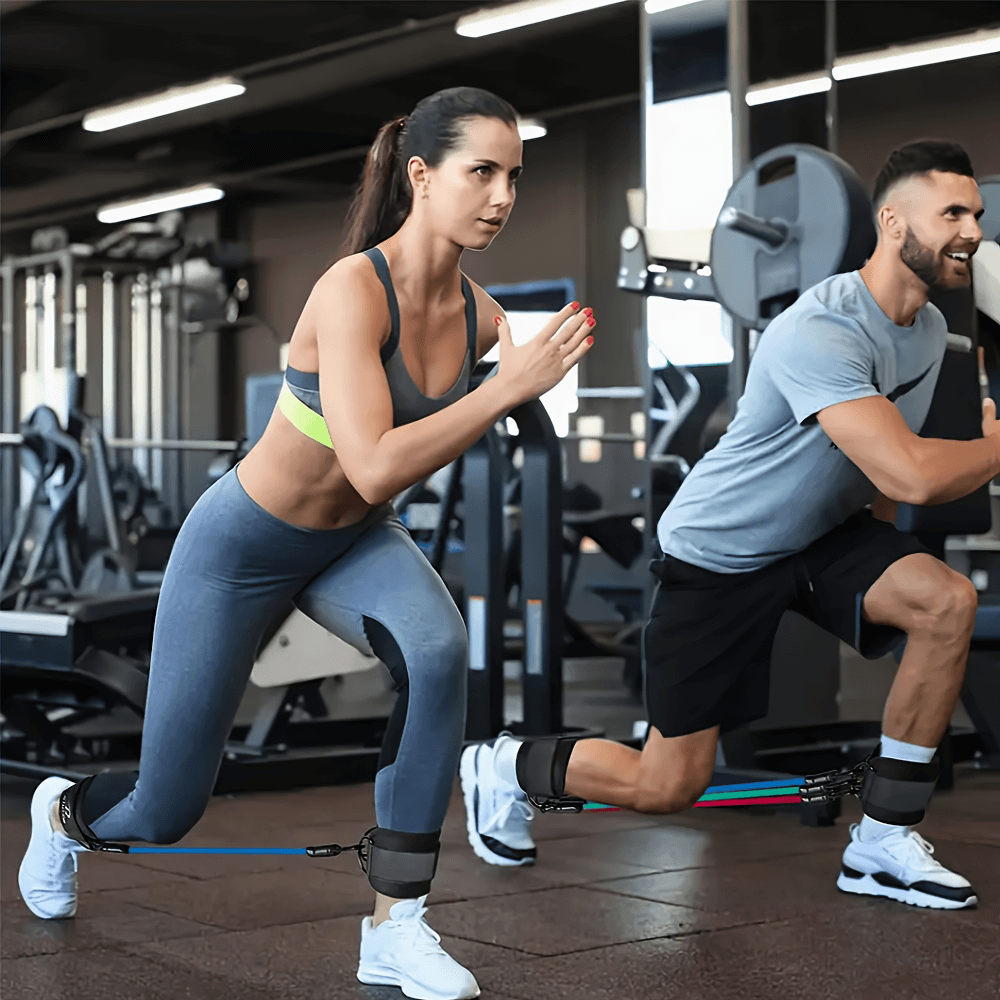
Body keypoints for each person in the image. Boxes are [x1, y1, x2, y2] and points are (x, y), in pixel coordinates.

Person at [18, 86, 596, 1000]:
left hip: (358, 540)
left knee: (441, 648)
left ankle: (394, 924)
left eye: (514, 176)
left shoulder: (485, 319)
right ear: (421, 174)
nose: (501, 195)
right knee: (165, 810)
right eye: (480, 170)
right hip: (242, 545)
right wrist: (506, 388)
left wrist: (513, 389)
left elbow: (388, 485)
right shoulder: (350, 290)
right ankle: (65, 818)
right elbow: (371, 464)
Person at [463, 140, 985, 911]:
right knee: (667, 784)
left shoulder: (930, 331)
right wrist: (994, 448)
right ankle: (503, 767)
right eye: (952, 213)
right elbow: (910, 472)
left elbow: (881, 475)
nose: (971, 229)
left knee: (945, 602)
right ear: (891, 220)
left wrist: (881, 557)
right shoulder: (822, 327)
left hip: (822, 535)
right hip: (724, 552)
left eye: (975, 213)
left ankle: (882, 840)